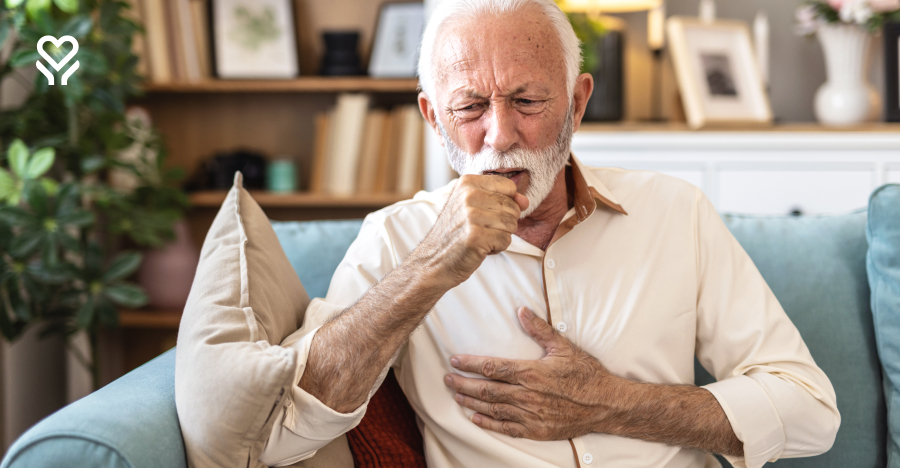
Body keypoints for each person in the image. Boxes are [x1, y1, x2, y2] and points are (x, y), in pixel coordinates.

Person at [261, 1, 839, 466]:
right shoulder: (394, 239)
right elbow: (281, 434)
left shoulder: (675, 210)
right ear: (434, 118)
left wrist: (614, 405)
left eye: (528, 101)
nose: (500, 135)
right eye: (469, 108)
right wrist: (429, 267)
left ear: (577, 103)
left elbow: (811, 413)